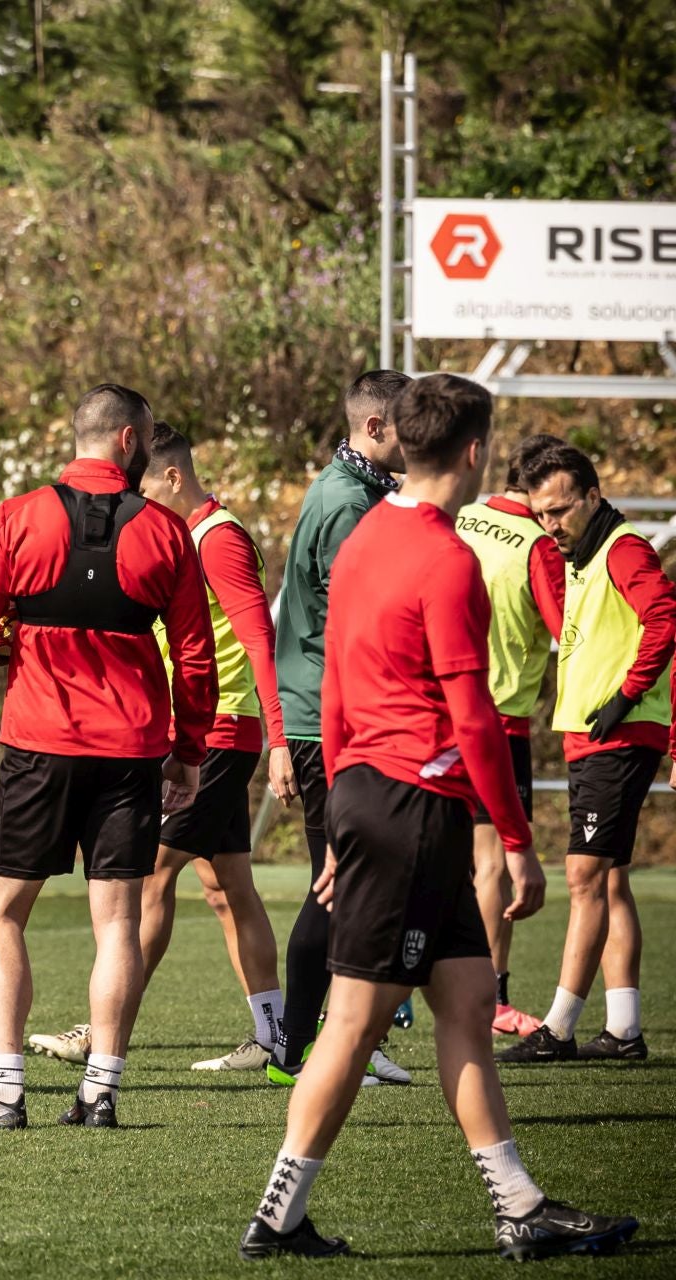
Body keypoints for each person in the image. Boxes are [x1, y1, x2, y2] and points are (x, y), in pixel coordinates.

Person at [240, 373, 636, 1262]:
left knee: (464, 1002)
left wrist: (343, 813)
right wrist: (522, 842)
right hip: (418, 809)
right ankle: (277, 1214)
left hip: (372, 798)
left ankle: (520, 1206)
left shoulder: (366, 537)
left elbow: (334, 686)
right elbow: (474, 714)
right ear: (473, 450)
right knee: (351, 1024)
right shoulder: (444, 555)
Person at [0, 384, 217, 1130]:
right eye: (146, 439)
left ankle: (3, 1091)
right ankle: (99, 1093)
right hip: (132, 751)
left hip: (38, 744)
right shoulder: (167, 531)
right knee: (116, 921)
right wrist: (188, 754)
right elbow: (195, 656)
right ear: (127, 441)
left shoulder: (17, 517)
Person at [32, 423, 288, 1072]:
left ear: (173, 477)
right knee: (227, 884)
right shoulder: (184, 536)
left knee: (147, 878)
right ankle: (276, 1034)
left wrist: (281, 740)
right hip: (213, 731)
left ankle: (100, 1032)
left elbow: (260, 639)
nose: (136, 503)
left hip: (223, 732)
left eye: (144, 487)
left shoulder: (216, 539)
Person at [498, 439, 671, 1065]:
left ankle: (559, 1028)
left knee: (583, 875)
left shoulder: (623, 549)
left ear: (593, 497)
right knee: (610, 879)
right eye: (542, 513)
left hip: (619, 735)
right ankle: (623, 1029)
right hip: (591, 736)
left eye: (562, 510)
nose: (551, 524)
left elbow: (666, 617)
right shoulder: (580, 552)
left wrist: (627, 695)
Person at [267, 369, 413, 1087]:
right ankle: (299, 1047)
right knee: (341, 881)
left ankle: (325, 1038)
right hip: (332, 719)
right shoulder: (349, 503)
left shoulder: (352, 492)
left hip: (328, 713)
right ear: (376, 429)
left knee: (348, 879)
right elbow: (354, 626)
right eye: (408, 425)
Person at [452, 435, 564, 1040]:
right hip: (497, 719)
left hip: (435, 707)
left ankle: (392, 984)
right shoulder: (538, 545)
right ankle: (492, 997)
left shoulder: (463, 514)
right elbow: (565, 630)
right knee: (492, 863)